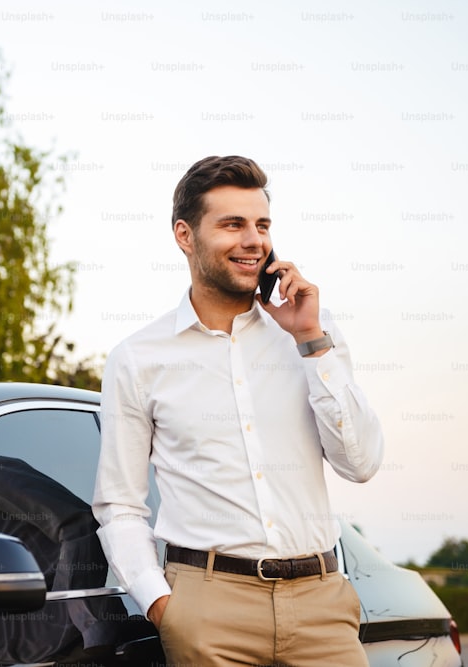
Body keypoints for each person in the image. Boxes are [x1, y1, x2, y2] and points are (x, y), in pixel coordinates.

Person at [92, 155, 385, 666]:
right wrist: (161, 605)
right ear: (185, 236)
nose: (254, 241)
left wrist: (311, 341)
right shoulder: (139, 359)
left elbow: (359, 463)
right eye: (233, 224)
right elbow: (119, 505)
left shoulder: (312, 331)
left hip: (322, 604)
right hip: (208, 614)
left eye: (262, 225)